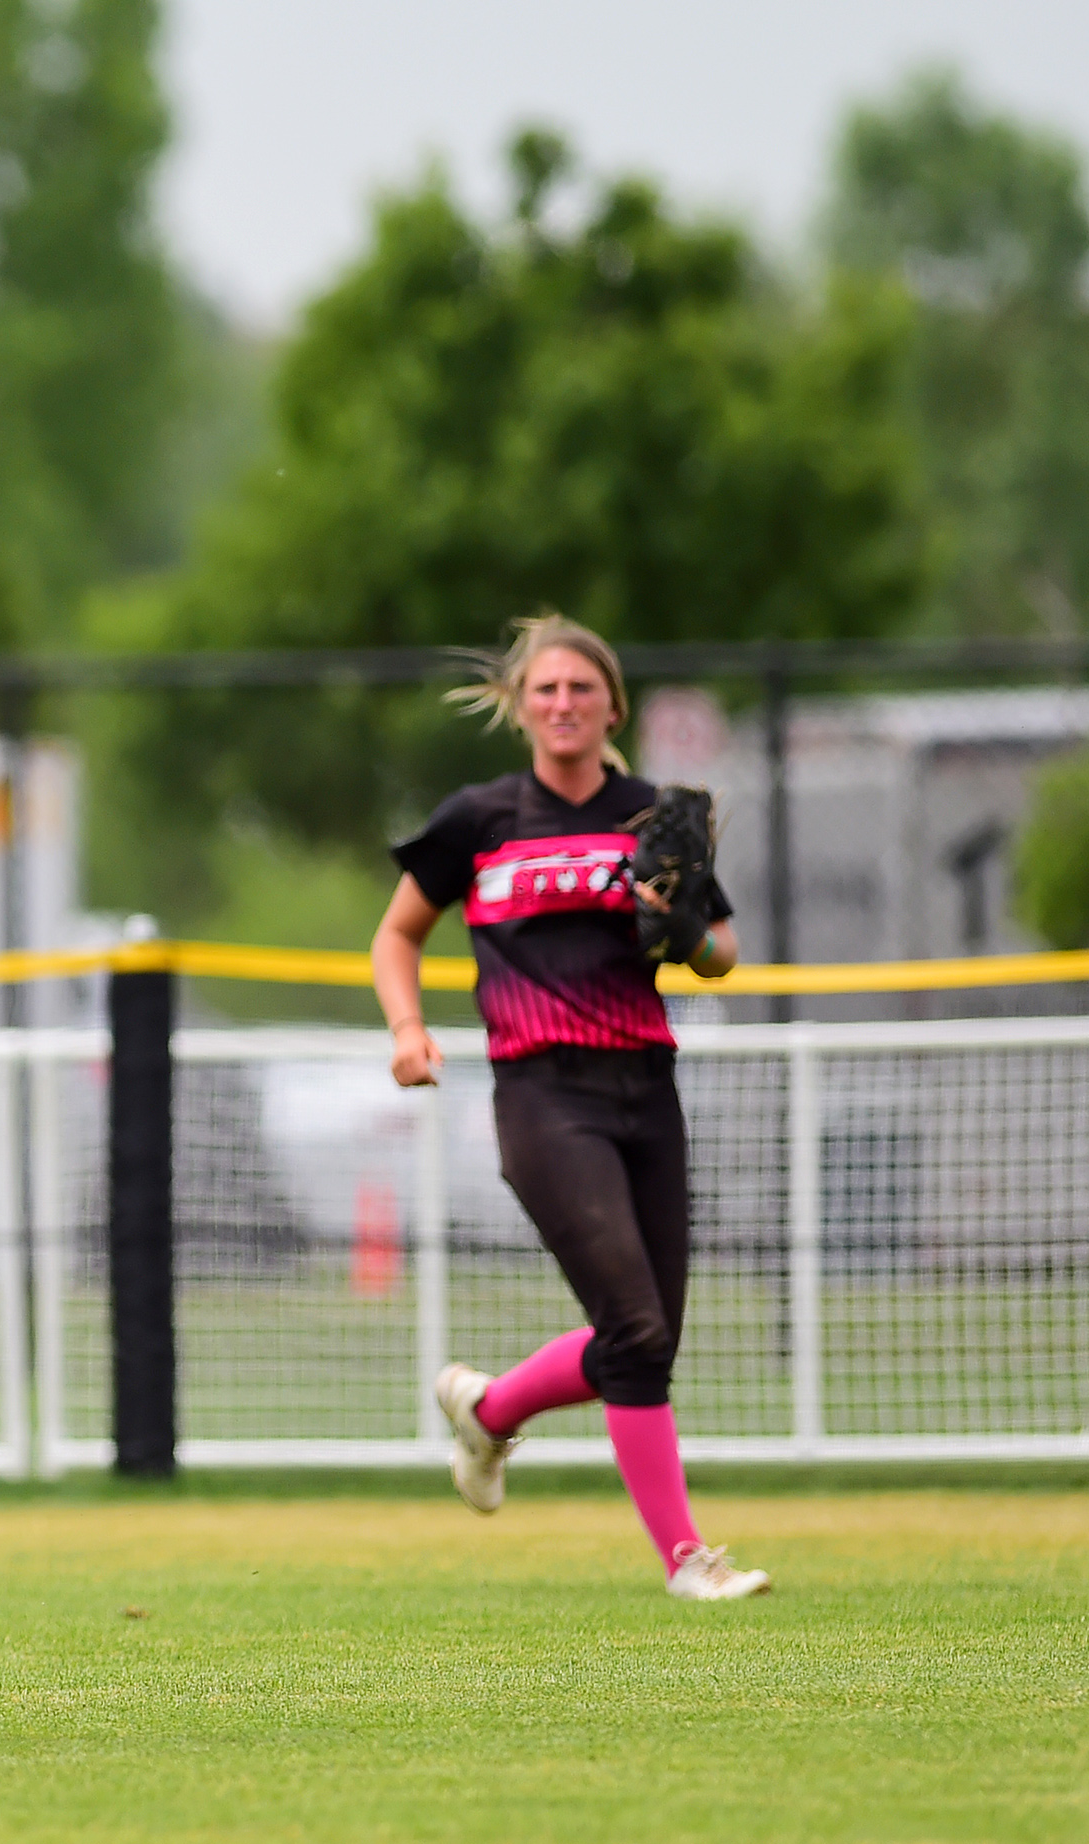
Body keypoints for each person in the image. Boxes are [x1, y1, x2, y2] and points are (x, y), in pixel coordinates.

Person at [371, 613, 771, 1601]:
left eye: (580, 689)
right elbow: (395, 936)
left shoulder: (651, 814)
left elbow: (720, 952)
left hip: (645, 1087)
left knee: (641, 1340)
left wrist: (686, 932)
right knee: (632, 1332)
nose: (561, 704)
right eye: (544, 689)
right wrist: (404, 1029)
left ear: (611, 706)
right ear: (519, 704)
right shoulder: (480, 817)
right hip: (542, 1094)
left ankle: (488, 1408)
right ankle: (686, 1560)